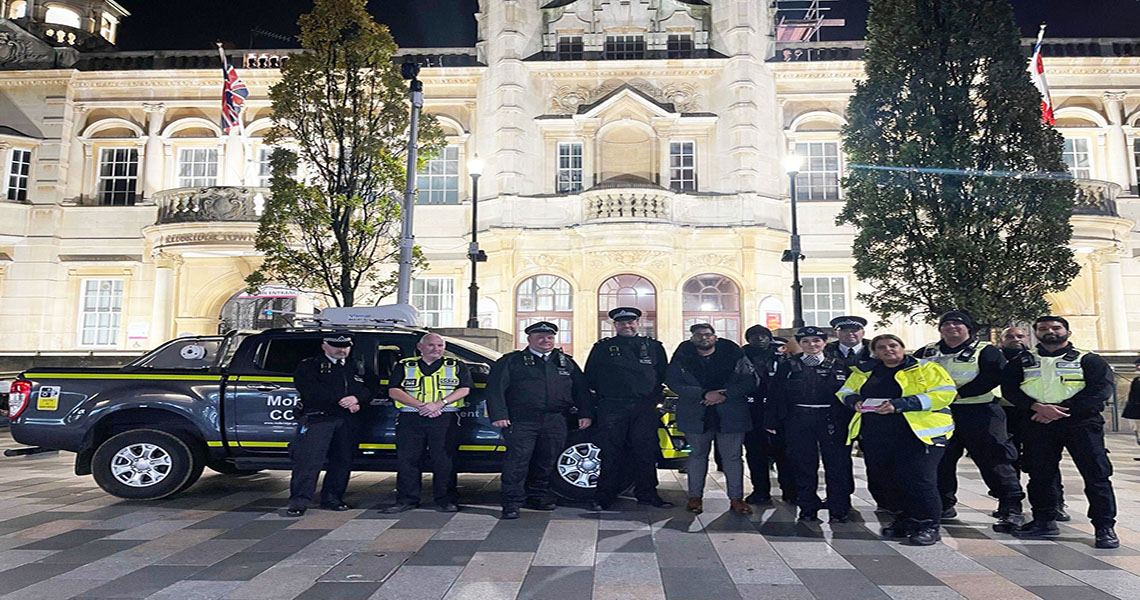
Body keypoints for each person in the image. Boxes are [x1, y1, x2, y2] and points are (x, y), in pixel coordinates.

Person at [1002, 316, 1119, 549]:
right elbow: (1010, 390)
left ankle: (1104, 527)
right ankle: (1044, 520)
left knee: (1096, 475)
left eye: (1056, 328)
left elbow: (1100, 390)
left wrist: (1059, 410)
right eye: (1043, 328)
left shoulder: (1089, 359)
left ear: (1068, 332)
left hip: (1081, 424)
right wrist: (1037, 407)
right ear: (1036, 333)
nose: (1050, 332)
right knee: (1040, 475)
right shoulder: (1022, 361)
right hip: (1038, 423)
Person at [838, 334, 956, 545]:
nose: (888, 350)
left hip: (920, 433)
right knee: (889, 479)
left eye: (893, 345)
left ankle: (928, 525)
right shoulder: (865, 371)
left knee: (920, 479)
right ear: (875, 352)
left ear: (902, 347)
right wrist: (854, 400)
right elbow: (845, 391)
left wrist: (900, 404)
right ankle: (904, 519)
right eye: (881, 347)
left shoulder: (926, 368)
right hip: (878, 434)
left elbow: (944, 394)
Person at [914, 311, 1023, 530]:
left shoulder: (986, 350)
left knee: (995, 460)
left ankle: (1011, 507)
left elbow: (993, 376)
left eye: (958, 324)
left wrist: (960, 394)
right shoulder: (927, 351)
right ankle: (944, 504)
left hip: (980, 412)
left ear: (968, 328)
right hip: (940, 414)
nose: (951, 327)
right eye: (946, 324)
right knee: (941, 460)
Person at [487, 321, 593, 519]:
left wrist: (585, 413)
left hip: (555, 419)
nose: (546, 340)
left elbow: (581, 390)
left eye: (550, 337)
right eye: (540, 337)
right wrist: (499, 415)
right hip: (522, 420)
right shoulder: (512, 361)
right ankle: (512, 503)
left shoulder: (565, 362)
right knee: (517, 462)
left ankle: (537, 496)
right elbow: (495, 389)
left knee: (547, 461)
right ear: (529, 339)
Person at [586, 306, 672, 509]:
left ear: (638, 323)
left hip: (644, 408)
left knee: (646, 451)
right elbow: (590, 376)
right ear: (615, 325)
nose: (627, 325)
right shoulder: (603, 348)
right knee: (611, 452)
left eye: (631, 322)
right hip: (613, 407)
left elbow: (662, 374)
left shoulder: (653, 347)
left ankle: (647, 493)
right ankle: (604, 496)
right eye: (622, 322)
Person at [666, 323, 757, 515]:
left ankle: (736, 499)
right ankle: (695, 498)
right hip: (696, 413)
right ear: (692, 339)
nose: (704, 338)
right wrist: (704, 394)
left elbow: (750, 380)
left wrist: (725, 395)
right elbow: (673, 382)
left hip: (730, 412)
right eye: (698, 335)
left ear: (715, 337)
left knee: (733, 457)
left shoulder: (734, 354)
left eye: (707, 334)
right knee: (697, 456)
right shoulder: (682, 356)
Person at [768, 326, 855, 523]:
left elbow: (850, 393)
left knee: (837, 464)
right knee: (803, 464)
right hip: (799, 419)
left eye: (816, 340)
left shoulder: (839, 365)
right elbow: (776, 394)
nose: (811, 345)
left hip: (832, 419)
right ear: (799, 344)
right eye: (805, 341)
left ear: (824, 343)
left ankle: (839, 508)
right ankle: (808, 507)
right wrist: (772, 420)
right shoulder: (788, 366)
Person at [384, 333, 472, 513]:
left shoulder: (456, 365)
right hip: (411, 417)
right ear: (420, 347)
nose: (436, 349)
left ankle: (446, 500)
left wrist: (440, 404)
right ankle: (406, 500)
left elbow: (464, 389)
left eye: (440, 345)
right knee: (408, 460)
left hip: (445, 417)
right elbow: (394, 390)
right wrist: (421, 406)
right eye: (431, 345)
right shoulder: (405, 365)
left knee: (444, 460)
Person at [286, 334, 370, 517]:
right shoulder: (310, 365)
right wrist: (343, 402)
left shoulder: (356, 365)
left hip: (347, 421)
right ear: (324, 346)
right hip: (319, 419)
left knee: (342, 461)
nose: (342, 350)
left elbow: (372, 386)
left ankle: (332, 499)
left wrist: (357, 398)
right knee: (308, 462)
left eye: (346, 346)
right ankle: (298, 502)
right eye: (336, 346)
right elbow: (310, 390)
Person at [999, 326, 1070, 521]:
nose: (1016, 339)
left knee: (1043, 461)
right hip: (1006, 413)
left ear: (1028, 338)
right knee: (1007, 460)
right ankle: (1010, 505)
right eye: (1010, 336)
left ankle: (1056, 503)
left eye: (1020, 336)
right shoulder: (994, 358)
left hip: (1035, 413)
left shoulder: (1037, 358)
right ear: (1002, 340)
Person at [741, 325, 796, 504]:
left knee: (784, 452)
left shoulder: (781, 357)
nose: (759, 339)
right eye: (754, 336)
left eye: (763, 336)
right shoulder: (741, 357)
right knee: (755, 453)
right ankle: (760, 490)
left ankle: (790, 490)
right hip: (751, 410)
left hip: (778, 410)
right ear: (748, 339)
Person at [1122, 357, 1140, 456]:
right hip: (1136, 410)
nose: (1138, 367)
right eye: (1137, 365)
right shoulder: (1136, 380)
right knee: (1138, 431)